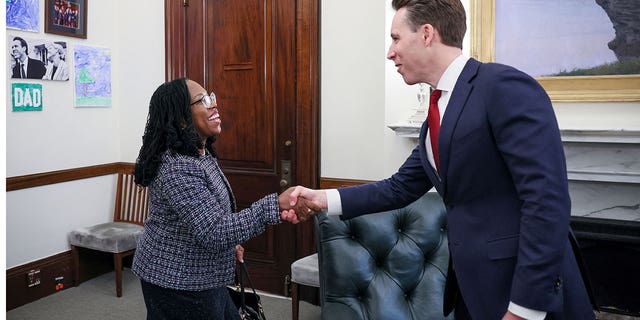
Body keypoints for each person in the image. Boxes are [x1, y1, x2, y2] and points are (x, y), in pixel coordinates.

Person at [288, 0, 596, 319]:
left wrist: (523, 309)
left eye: (395, 38)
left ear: (426, 34)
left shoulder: (503, 86)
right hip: (473, 288)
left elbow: (546, 200)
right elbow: (399, 188)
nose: (390, 52)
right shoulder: (436, 114)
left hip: (523, 293)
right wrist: (321, 198)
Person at [132, 78, 316, 320]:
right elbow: (214, 231)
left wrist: (231, 244)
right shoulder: (177, 167)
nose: (214, 105)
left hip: (202, 275)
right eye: (203, 100)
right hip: (178, 281)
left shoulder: (201, 155)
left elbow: (211, 219)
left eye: (212, 97)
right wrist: (275, 204)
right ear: (180, 117)